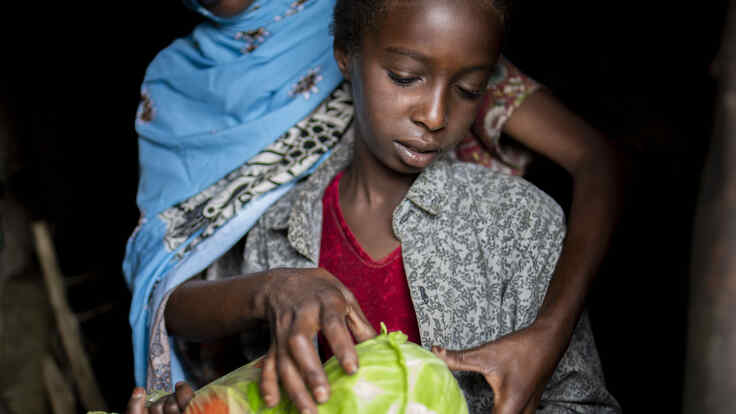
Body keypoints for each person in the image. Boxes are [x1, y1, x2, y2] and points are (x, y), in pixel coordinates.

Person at [124, 0, 622, 412]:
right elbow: (175, 295)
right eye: (405, 77)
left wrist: (547, 333)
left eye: (469, 90)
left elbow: (580, 402)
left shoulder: (514, 223)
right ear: (344, 57)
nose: (434, 115)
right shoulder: (275, 236)